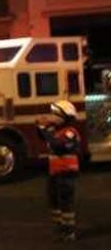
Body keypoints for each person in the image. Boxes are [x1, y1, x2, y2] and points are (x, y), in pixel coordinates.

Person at [37, 100, 82, 241]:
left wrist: (45, 130)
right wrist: (40, 126)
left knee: (65, 201)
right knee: (53, 200)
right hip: (55, 172)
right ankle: (59, 229)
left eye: (55, 114)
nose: (52, 117)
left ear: (65, 117)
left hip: (66, 172)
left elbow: (58, 146)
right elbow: (43, 137)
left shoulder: (70, 132)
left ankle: (69, 231)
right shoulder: (54, 131)